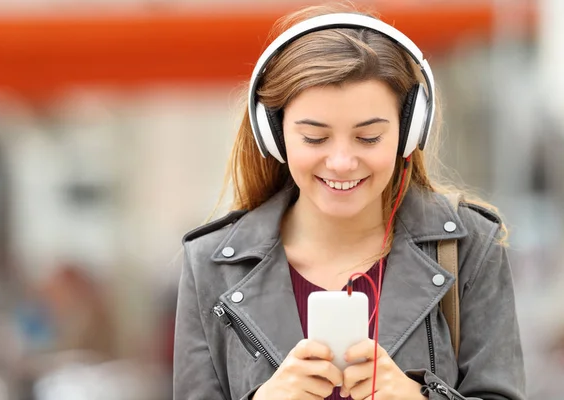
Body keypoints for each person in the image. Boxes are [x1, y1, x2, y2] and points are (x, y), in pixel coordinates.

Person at [173, 3, 526, 400]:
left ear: (409, 132)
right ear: (273, 134)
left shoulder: (468, 247)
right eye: (315, 138)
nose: (341, 163)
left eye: (369, 137)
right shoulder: (210, 264)